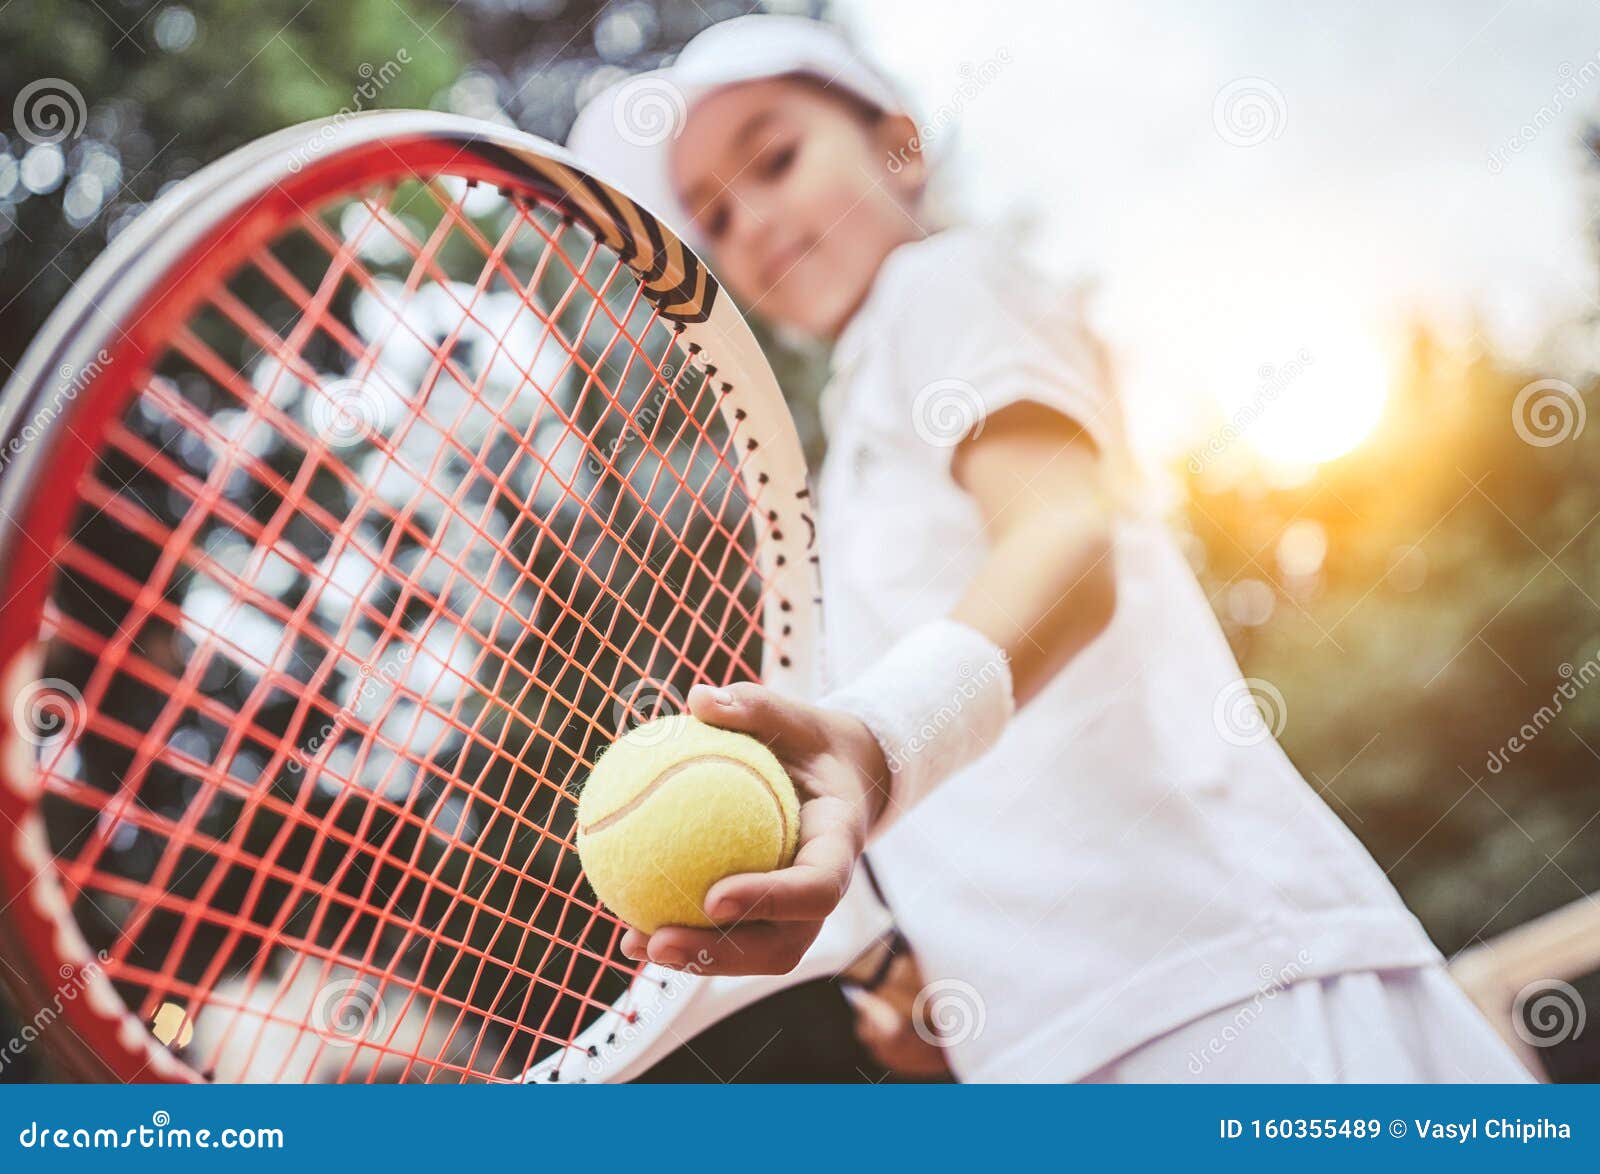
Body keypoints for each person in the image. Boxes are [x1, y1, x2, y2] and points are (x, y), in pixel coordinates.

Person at [567, 14, 1531, 1083]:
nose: (750, 220)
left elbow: (1069, 538)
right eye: (713, 215)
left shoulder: (945, 286)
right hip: (1061, 1049)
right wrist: (936, 987)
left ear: (900, 145)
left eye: (774, 157)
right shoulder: (848, 469)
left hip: (1219, 987)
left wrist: (878, 743)